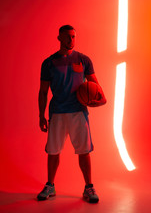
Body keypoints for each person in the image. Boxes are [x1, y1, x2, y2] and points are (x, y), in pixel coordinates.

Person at [37, 25, 106, 203]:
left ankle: (88, 187)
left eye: (74, 37)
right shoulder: (49, 63)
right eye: (67, 37)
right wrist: (41, 115)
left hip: (78, 113)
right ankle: (50, 185)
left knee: (84, 152)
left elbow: (95, 86)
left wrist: (100, 99)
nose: (71, 40)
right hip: (57, 113)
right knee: (53, 152)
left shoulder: (84, 60)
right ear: (59, 38)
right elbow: (43, 92)